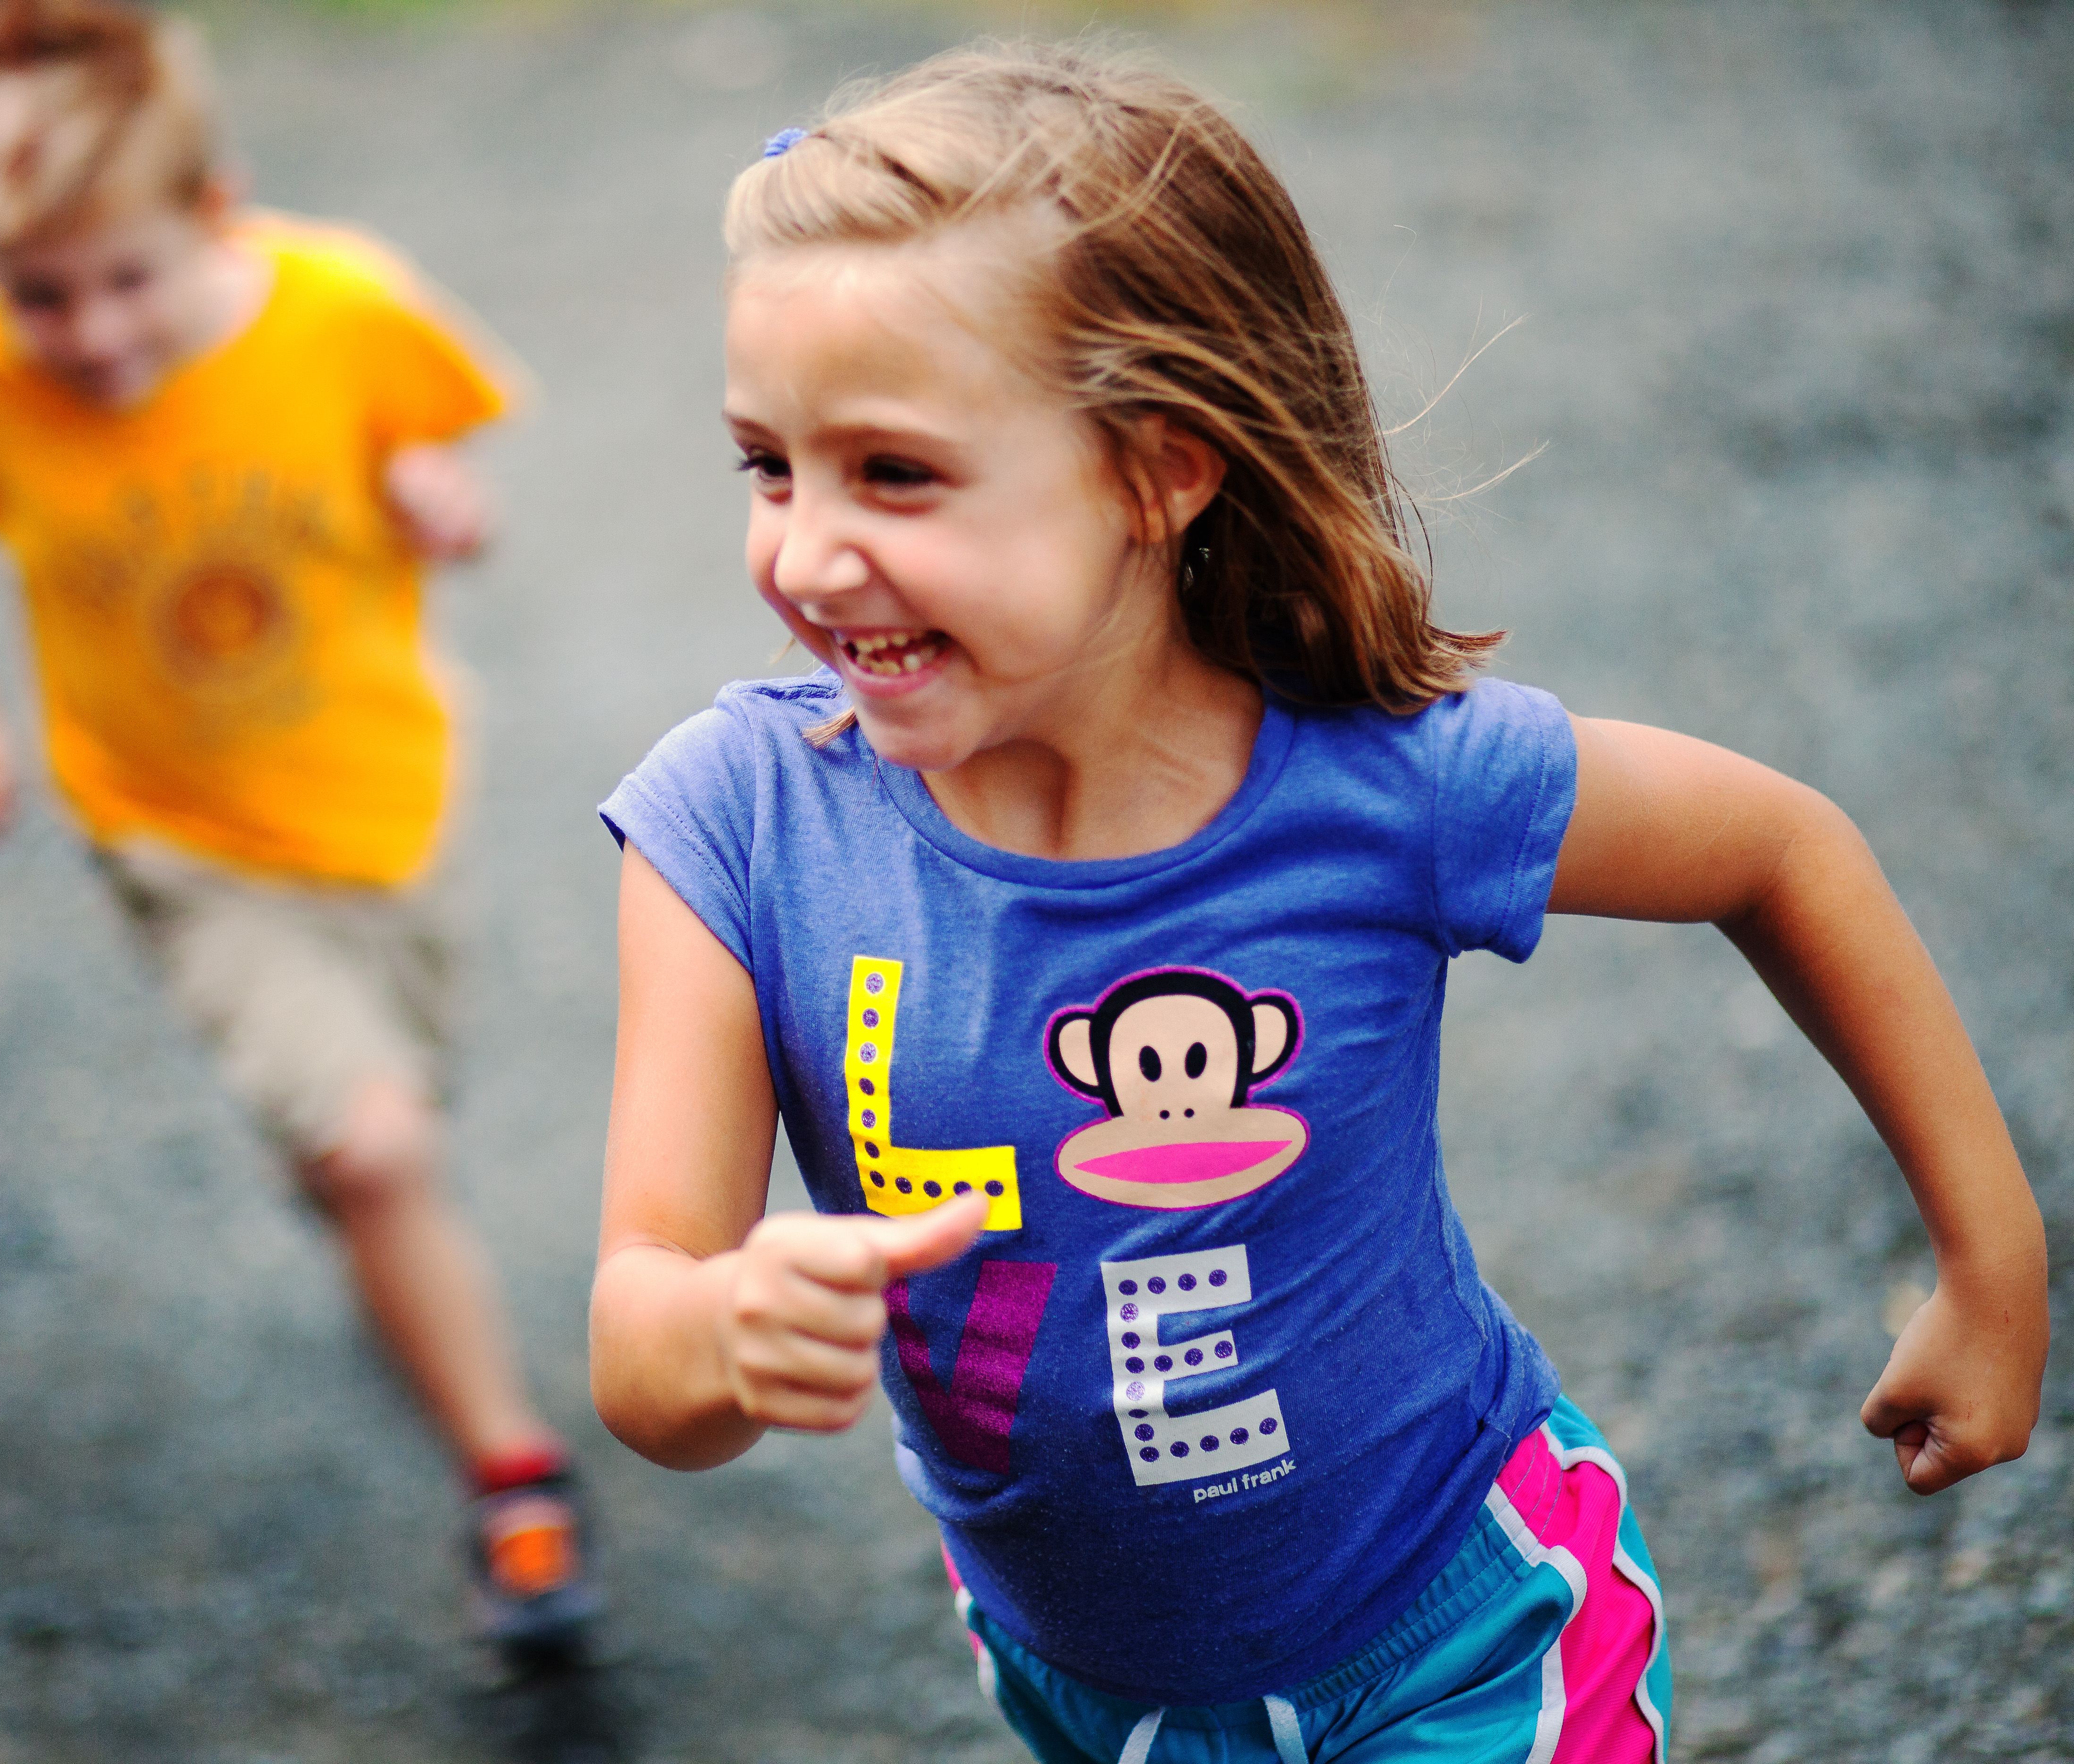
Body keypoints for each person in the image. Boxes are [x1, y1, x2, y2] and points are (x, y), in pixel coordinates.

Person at [588, 43, 2047, 1762]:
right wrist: (722, 1330)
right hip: (1087, 1687)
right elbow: (642, 1332)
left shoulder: (1381, 784)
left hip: (1467, 1638)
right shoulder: (737, 830)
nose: (808, 554)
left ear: (1160, 473)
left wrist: (1993, 1258)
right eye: (770, 466)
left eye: (895, 476)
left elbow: (1777, 849)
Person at [0, 0, 596, 1655]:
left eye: (127, 282)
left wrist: (432, 498)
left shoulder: (336, 304)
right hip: (177, 837)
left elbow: (434, 439)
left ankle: (368, 1218)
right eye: (38, 295)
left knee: (395, 1123)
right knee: (380, 1144)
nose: (90, 335)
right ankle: (515, 1479)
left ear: (216, 207)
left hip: (390, 802)